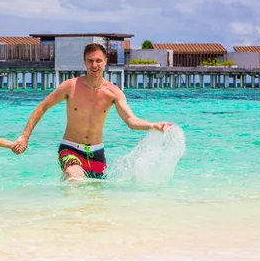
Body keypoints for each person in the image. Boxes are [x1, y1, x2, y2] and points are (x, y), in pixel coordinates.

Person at [12, 43, 173, 180]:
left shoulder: (113, 93)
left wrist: (154, 125)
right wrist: (25, 136)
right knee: (75, 178)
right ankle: (71, 216)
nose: (94, 65)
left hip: (97, 154)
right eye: (90, 61)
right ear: (84, 63)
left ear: (105, 62)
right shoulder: (71, 86)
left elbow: (131, 121)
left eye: (98, 61)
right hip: (70, 148)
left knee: (94, 197)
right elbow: (42, 107)